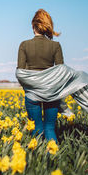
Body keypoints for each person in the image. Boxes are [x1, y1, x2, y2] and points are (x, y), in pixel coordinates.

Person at [17, 9, 63, 143]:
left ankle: (37, 160)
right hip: (51, 93)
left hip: (32, 94)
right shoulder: (55, 46)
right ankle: (54, 159)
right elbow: (61, 71)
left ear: (33, 26)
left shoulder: (24, 45)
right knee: (50, 128)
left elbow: (21, 72)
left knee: (37, 128)